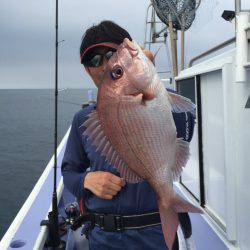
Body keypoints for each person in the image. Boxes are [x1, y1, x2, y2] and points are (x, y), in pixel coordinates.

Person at [61, 20, 195, 250]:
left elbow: (186, 127)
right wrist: (87, 180)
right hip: (103, 236)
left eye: (112, 54)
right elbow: (69, 172)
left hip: (154, 233)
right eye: (94, 60)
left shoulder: (154, 97)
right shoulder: (83, 120)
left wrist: (149, 78)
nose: (104, 65)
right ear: (86, 69)